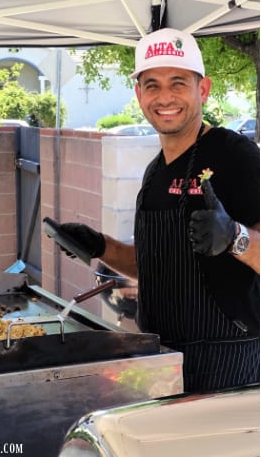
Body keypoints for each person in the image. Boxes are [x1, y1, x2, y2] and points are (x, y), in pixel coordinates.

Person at [56, 28, 259, 393]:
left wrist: (235, 238)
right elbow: (154, 267)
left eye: (177, 83)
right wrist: (101, 247)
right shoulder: (154, 172)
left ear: (204, 88)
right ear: (138, 94)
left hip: (228, 361)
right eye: (152, 85)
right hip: (160, 356)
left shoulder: (238, 156)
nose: (164, 97)